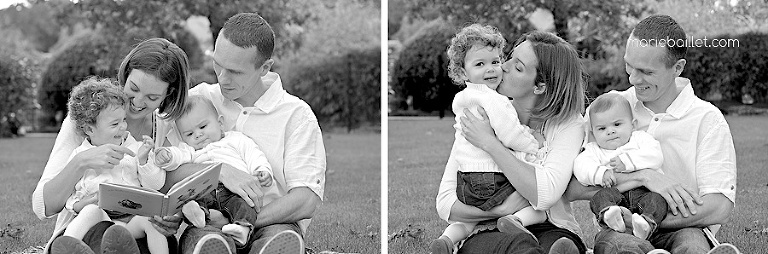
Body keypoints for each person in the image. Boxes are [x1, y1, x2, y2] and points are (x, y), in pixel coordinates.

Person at [565, 15, 740, 254]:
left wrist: (649, 222)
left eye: (646, 71)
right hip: (619, 229)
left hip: (686, 226)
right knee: (621, 247)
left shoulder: (707, 120)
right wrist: (643, 177)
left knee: (691, 247)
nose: (633, 79)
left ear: (677, 68)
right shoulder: (610, 109)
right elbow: (573, 187)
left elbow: (719, 206)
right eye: (629, 66)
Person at [160, 13, 325, 254]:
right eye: (218, 64)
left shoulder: (296, 116)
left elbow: (306, 200)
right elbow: (168, 170)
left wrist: (238, 221)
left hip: (271, 222)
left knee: (280, 237)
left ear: (264, 68)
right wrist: (221, 172)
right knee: (204, 242)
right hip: (209, 222)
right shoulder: (200, 101)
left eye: (235, 72)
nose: (222, 78)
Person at [32, 38, 191, 254]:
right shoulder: (87, 118)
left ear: (167, 95)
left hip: (136, 228)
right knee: (105, 234)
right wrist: (82, 161)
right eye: (133, 88)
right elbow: (43, 206)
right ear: (125, 74)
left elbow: (162, 187)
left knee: (153, 236)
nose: (137, 102)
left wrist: (174, 216)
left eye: (152, 97)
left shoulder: (162, 128)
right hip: (87, 228)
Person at [436, 30, 589, 253]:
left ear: (540, 87)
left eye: (517, 67)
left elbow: (544, 194)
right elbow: (446, 203)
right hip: (487, 228)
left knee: (558, 246)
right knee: (518, 247)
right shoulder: (484, 112)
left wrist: (490, 143)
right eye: (509, 58)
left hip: (550, 225)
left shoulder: (568, 124)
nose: (503, 67)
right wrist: (499, 212)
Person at [430, 23, 547, 254]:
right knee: (539, 208)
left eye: (495, 62)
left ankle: (446, 240)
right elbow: (510, 134)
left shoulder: (464, 100)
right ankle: (516, 220)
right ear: (463, 72)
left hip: (466, 183)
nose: (491, 69)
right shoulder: (493, 100)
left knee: (465, 222)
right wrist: (533, 142)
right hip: (492, 179)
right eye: (480, 64)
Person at [58, 77, 170, 254]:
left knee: (152, 223)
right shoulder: (81, 157)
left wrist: (143, 161)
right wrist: (85, 203)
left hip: (132, 219)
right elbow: (71, 200)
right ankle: (67, 246)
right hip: (102, 219)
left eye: (123, 120)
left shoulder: (135, 148)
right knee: (90, 211)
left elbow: (155, 185)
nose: (123, 127)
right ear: (89, 129)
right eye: (114, 124)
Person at [154, 95, 278, 248]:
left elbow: (254, 154)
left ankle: (242, 229)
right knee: (194, 200)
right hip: (206, 191)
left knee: (244, 205)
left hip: (235, 192)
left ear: (220, 123)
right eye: (189, 134)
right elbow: (178, 156)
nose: (198, 135)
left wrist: (262, 170)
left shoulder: (236, 140)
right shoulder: (191, 150)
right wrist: (167, 156)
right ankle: (198, 214)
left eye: (203, 127)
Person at [573, 93, 667, 241]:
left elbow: (655, 155)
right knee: (599, 197)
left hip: (645, 193)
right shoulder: (594, 149)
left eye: (617, 124)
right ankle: (610, 214)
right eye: (602, 128)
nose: (610, 131)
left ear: (633, 125)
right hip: (616, 195)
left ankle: (646, 224)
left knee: (657, 200)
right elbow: (580, 166)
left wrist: (627, 162)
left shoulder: (640, 139)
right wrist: (601, 173)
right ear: (593, 133)